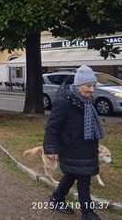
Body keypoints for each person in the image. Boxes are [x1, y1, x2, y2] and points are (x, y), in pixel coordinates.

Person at [44, 65, 105, 220]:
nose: (92, 90)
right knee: (84, 177)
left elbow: (90, 125)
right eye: (88, 85)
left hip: (87, 145)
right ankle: (87, 212)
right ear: (78, 85)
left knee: (71, 174)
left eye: (94, 85)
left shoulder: (87, 100)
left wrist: (95, 145)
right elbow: (53, 126)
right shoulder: (64, 101)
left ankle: (57, 199)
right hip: (71, 146)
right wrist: (50, 148)